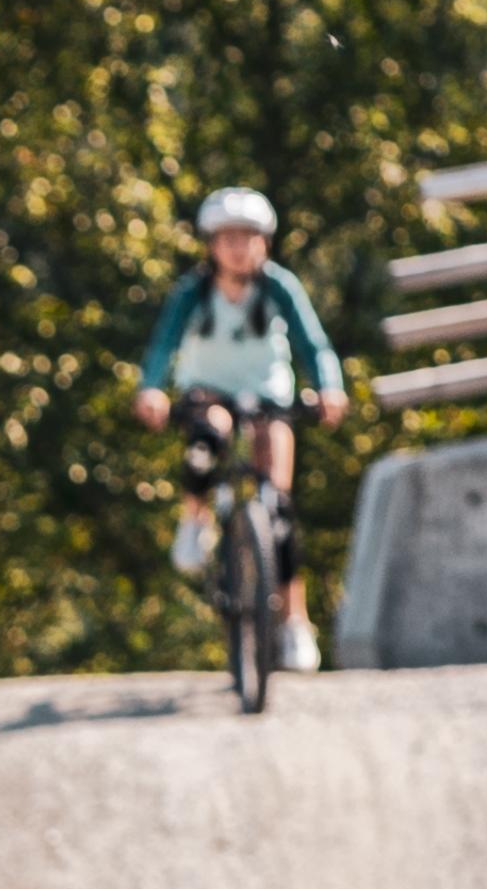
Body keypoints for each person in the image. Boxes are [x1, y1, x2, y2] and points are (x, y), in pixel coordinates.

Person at [131, 188, 346, 676]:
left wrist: (330, 388)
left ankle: (295, 622)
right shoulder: (193, 291)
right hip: (209, 390)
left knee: (281, 506)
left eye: (247, 238)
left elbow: (315, 344)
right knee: (208, 438)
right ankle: (195, 520)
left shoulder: (279, 287)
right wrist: (150, 388)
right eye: (226, 238)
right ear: (211, 245)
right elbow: (163, 344)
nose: (236, 247)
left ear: (264, 243)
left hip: (268, 393)